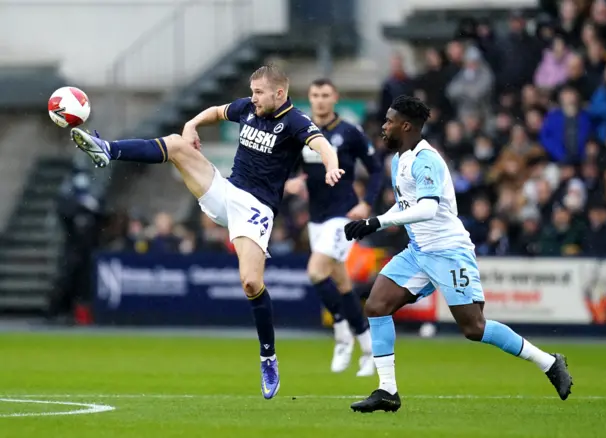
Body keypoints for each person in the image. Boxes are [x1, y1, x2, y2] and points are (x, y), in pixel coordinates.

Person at [69, 64, 344, 400]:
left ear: (280, 94)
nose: (252, 98)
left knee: (251, 283)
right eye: (252, 91)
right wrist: (191, 124)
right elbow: (216, 111)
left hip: (256, 210)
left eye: (259, 92)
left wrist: (331, 165)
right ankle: (108, 149)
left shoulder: (295, 121)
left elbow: (321, 144)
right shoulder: (248, 107)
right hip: (225, 191)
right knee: (175, 144)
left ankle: (268, 356)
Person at [343, 96, 573, 413]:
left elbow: (428, 208)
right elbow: (408, 205)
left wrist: (377, 222)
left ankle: (548, 362)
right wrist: (376, 224)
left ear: (405, 125)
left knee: (474, 328)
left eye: (389, 121)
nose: (384, 126)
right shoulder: (399, 160)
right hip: (418, 252)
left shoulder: (427, 160)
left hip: (449, 252)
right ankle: (387, 390)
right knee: (377, 304)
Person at [285, 78, 383, 376]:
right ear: (309, 98)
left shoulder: (349, 132)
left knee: (316, 271)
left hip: (343, 215)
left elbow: (377, 168)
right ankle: (369, 348)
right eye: (315, 95)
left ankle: (341, 336)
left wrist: (367, 202)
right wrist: (291, 181)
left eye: (326, 95)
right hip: (316, 217)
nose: (320, 100)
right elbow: (290, 169)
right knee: (341, 284)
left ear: (335, 97)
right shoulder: (302, 132)